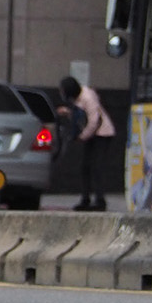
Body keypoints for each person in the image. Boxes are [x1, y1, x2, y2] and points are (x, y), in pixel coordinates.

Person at [57, 76, 115, 211]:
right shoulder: (78, 98)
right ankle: (86, 198)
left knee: (97, 166)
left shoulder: (88, 97)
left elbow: (94, 120)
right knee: (85, 167)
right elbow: (81, 115)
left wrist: (82, 136)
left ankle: (100, 200)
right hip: (92, 135)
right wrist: (67, 112)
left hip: (102, 133)